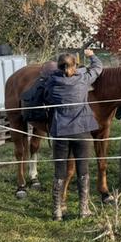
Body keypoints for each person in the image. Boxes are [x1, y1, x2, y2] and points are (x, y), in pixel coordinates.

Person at [44, 49, 103, 220]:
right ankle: (83, 210)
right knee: (83, 171)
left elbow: (47, 95)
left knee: (59, 172)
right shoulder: (83, 79)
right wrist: (91, 55)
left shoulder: (52, 82)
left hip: (61, 132)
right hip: (82, 131)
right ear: (75, 66)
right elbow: (98, 68)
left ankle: (57, 211)